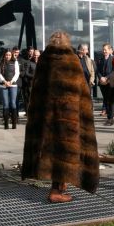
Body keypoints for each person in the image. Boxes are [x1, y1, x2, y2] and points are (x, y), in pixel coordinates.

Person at [21, 31, 100, 203]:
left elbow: (36, 90)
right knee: (64, 151)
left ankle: (61, 184)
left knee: (52, 150)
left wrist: (36, 114)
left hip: (47, 117)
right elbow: (83, 91)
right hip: (68, 116)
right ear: (67, 43)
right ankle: (55, 191)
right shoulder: (72, 60)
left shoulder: (43, 60)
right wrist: (85, 113)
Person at [0, 49, 20, 129]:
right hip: (3, 86)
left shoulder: (15, 62)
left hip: (13, 85)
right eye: (6, 55)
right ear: (4, 55)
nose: (8, 56)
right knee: (6, 104)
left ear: (12, 55)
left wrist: (11, 81)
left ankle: (14, 123)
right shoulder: (1, 63)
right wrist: (4, 81)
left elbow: (17, 73)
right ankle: (6, 124)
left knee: (13, 103)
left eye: (9, 55)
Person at [96, 43, 114, 125]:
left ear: (110, 50)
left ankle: (110, 119)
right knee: (106, 100)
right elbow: (98, 71)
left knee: (111, 101)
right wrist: (101, 78)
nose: (104, 51)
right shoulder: (100, 59)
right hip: (102, 83)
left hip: (110, 82)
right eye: (103, 49)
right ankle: (108, 118)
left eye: (105, 50)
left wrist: (106, 78)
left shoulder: (113, 59)